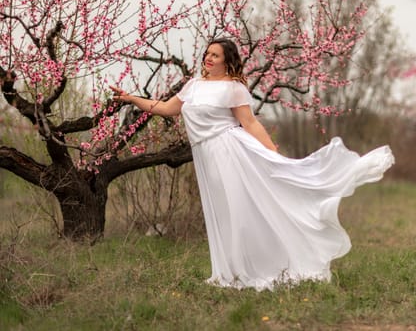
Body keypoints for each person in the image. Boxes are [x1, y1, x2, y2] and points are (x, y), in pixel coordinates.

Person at [110, 38, 395, 291]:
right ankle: (230, 272)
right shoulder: (193, 86)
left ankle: (258, 268)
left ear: (227, 61)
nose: (208, 59)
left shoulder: (233, 88)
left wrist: (273, 154)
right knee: (223, 213)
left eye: (215, 55)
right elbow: (165, 108)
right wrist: (130, 98)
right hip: (207, 157)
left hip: (231, 152)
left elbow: (249, 123)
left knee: (240, 212)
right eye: (207, 54)